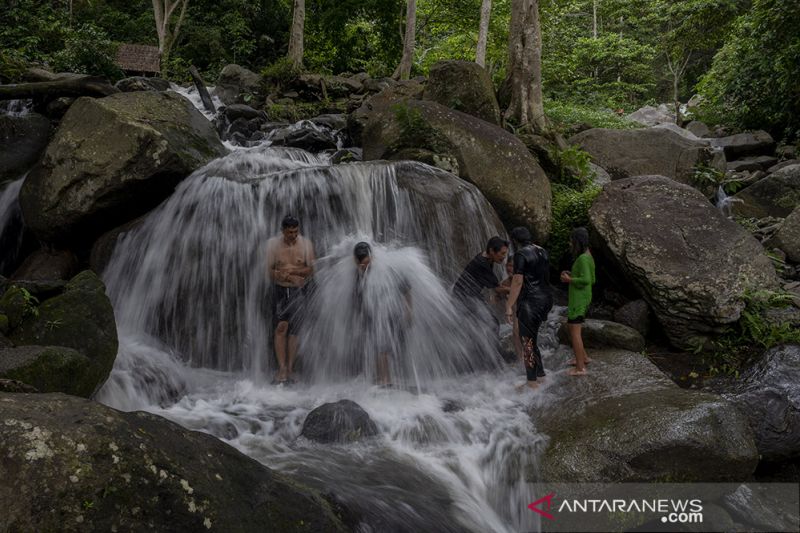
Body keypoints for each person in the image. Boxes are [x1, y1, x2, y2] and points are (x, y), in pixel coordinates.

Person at [266, 215, 316, 384]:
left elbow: (311, 269)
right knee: (281, 327)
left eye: (295, 232)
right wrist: (281, 274)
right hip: (280, 289)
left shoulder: (306, 244)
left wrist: (293, 274)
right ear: (283, 231)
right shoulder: (273, 245)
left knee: (294, 330)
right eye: (289, 232)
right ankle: (281, 368)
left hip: (299, 291)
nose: (293, 235)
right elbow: (269, 271)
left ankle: (290, 367)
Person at [353, 242, 411, 386]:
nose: (364, 267)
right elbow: (359, 299)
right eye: (361, 264)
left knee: (383, 345)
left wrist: (409, 310)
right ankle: (382, 378)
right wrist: (360, 317)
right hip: (373, 314)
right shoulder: (359, 274)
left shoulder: (386, 268)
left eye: (366, 263)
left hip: (391, 311)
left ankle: (386, 379)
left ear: (372, 257)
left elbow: (406, 288)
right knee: (378, 345)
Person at [505, 226, 553, 389]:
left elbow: (517, 282)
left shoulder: (520, 254)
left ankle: (531, 383)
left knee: (527, 342)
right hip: (545, 299)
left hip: (530, 302)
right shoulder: (542, 251)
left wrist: (509, 305)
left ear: (515, 241)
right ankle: (541, 377)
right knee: (532, 339)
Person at [560, 227, 596, 376]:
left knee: (575, 332)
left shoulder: (582, 258)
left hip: (579, 300)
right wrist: (573, 274)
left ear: (577, 242)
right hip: (583, 298)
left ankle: (580, 368)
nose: (570, 243)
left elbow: (587, 280)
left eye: (571, 240)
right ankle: (584, 358)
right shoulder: (588, 256)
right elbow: (592, 279)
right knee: (572, 328)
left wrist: (569, 279)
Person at [452, 236, 509, 322]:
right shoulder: (482, 264)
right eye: (502, 253)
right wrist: (517, 289)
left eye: (505, 254)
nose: (504, 257)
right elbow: (498, 289)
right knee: (492, 323)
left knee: (489, 323)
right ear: (492, 251)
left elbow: (495, 285)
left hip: (469, 295)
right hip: (463, 298)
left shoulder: (486, 256)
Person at [499, 260, 524, 363]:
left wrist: (507, 290)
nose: (510, 268)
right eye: (508, 265)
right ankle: (520, 358)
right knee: (515, 333)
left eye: (513, 266)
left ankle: (527, 359)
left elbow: (521, 290)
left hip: (525, 309)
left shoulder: (522, 280)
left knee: (518, 332)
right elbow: (497, 297)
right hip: (515, 312)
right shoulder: (504, 282)